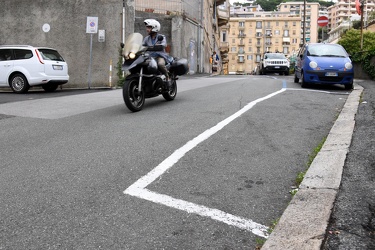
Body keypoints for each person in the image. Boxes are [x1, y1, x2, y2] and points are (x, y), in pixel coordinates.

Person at [142, 19, 172, 88]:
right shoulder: (147, 38)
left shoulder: (161, 37)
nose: (147, 29)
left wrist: (150, 48)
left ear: (155, 28)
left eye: (149, 27)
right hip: (150, 57)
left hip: (159, 56)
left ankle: (167, 76)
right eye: (147, 27)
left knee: (160, 64)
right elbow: (141, 45)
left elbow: (163, 45)